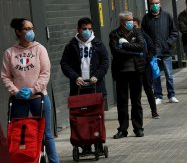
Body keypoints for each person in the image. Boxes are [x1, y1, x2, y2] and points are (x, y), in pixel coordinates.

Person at [1, 18, 59, 163]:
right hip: (19, 100)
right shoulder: (10, 53)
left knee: (46, 134)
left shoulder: (40, 49)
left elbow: (45, 73)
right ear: (18, 32)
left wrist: (34, 90)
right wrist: (15, 92)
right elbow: (5, 76)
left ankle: (54, 160)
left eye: (31, 28)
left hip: (39, 98)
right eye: (26, 29)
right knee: (18, 133)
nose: (30, 31)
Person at [60, 17, 109, 152]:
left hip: (96, 88)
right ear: (78, 30)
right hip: (79, 89)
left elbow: (105, 62)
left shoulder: (98, 44)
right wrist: (75, 77)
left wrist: (96, 76)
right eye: (84, 29)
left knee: (96, 117)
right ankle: (85, 145)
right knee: (81, 119)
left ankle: (97, 141)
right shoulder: (71, 46)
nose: (87, 31)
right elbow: (65, 64)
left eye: (89, 29)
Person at [109, 11, 145, 139]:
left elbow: (141, 46)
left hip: (137, 70)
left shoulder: (137, 32)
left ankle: (138, 128)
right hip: (121, 71)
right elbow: (116, 52)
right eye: (128, 20)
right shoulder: (114, 34)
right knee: (122, 102)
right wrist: (133, 51)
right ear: (122, 22)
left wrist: (125, 44)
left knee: (136, 101)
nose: (131, 22)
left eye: (131, 20)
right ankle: (122, 129)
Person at [142, 0, 179, 104]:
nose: (155, 5)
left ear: (160, 4)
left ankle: (171, 95)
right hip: (153, 52)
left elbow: (174, 32)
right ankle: (158, 95)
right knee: (155, 75)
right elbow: (143, 35)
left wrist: (168, 44)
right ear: (150, 6)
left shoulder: (167, 16)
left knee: (169, 75)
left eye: (156, 3)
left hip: (166, 50)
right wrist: (149, 47)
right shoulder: (146, 19)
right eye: (152, 4)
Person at [133, 17, 160, 119]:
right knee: (136, 91)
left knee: (148, 88)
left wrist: (147, 59)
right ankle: (136, 113)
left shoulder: (144, 35)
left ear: (139, 25)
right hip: (134, 67)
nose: (133, 28)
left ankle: (154, 111)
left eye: (135, 25)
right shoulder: (128, 36)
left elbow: (152, 48)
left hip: (145, 66)